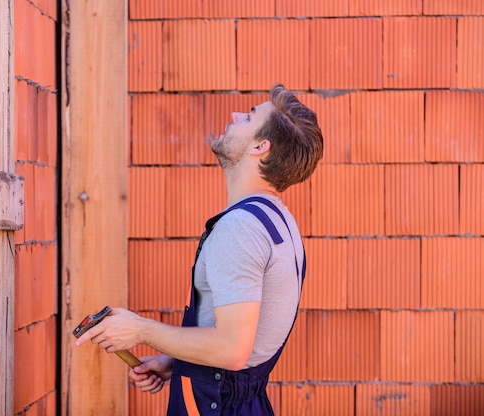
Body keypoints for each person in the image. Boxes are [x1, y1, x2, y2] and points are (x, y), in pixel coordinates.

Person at [75, 83, 324, 415]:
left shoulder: (241, 228)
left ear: (259, 146)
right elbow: (247, 346)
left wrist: (139, 329)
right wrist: (177, 362)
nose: (235, 115)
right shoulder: (278, 219)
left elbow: (232, 349)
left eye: (248, 117)